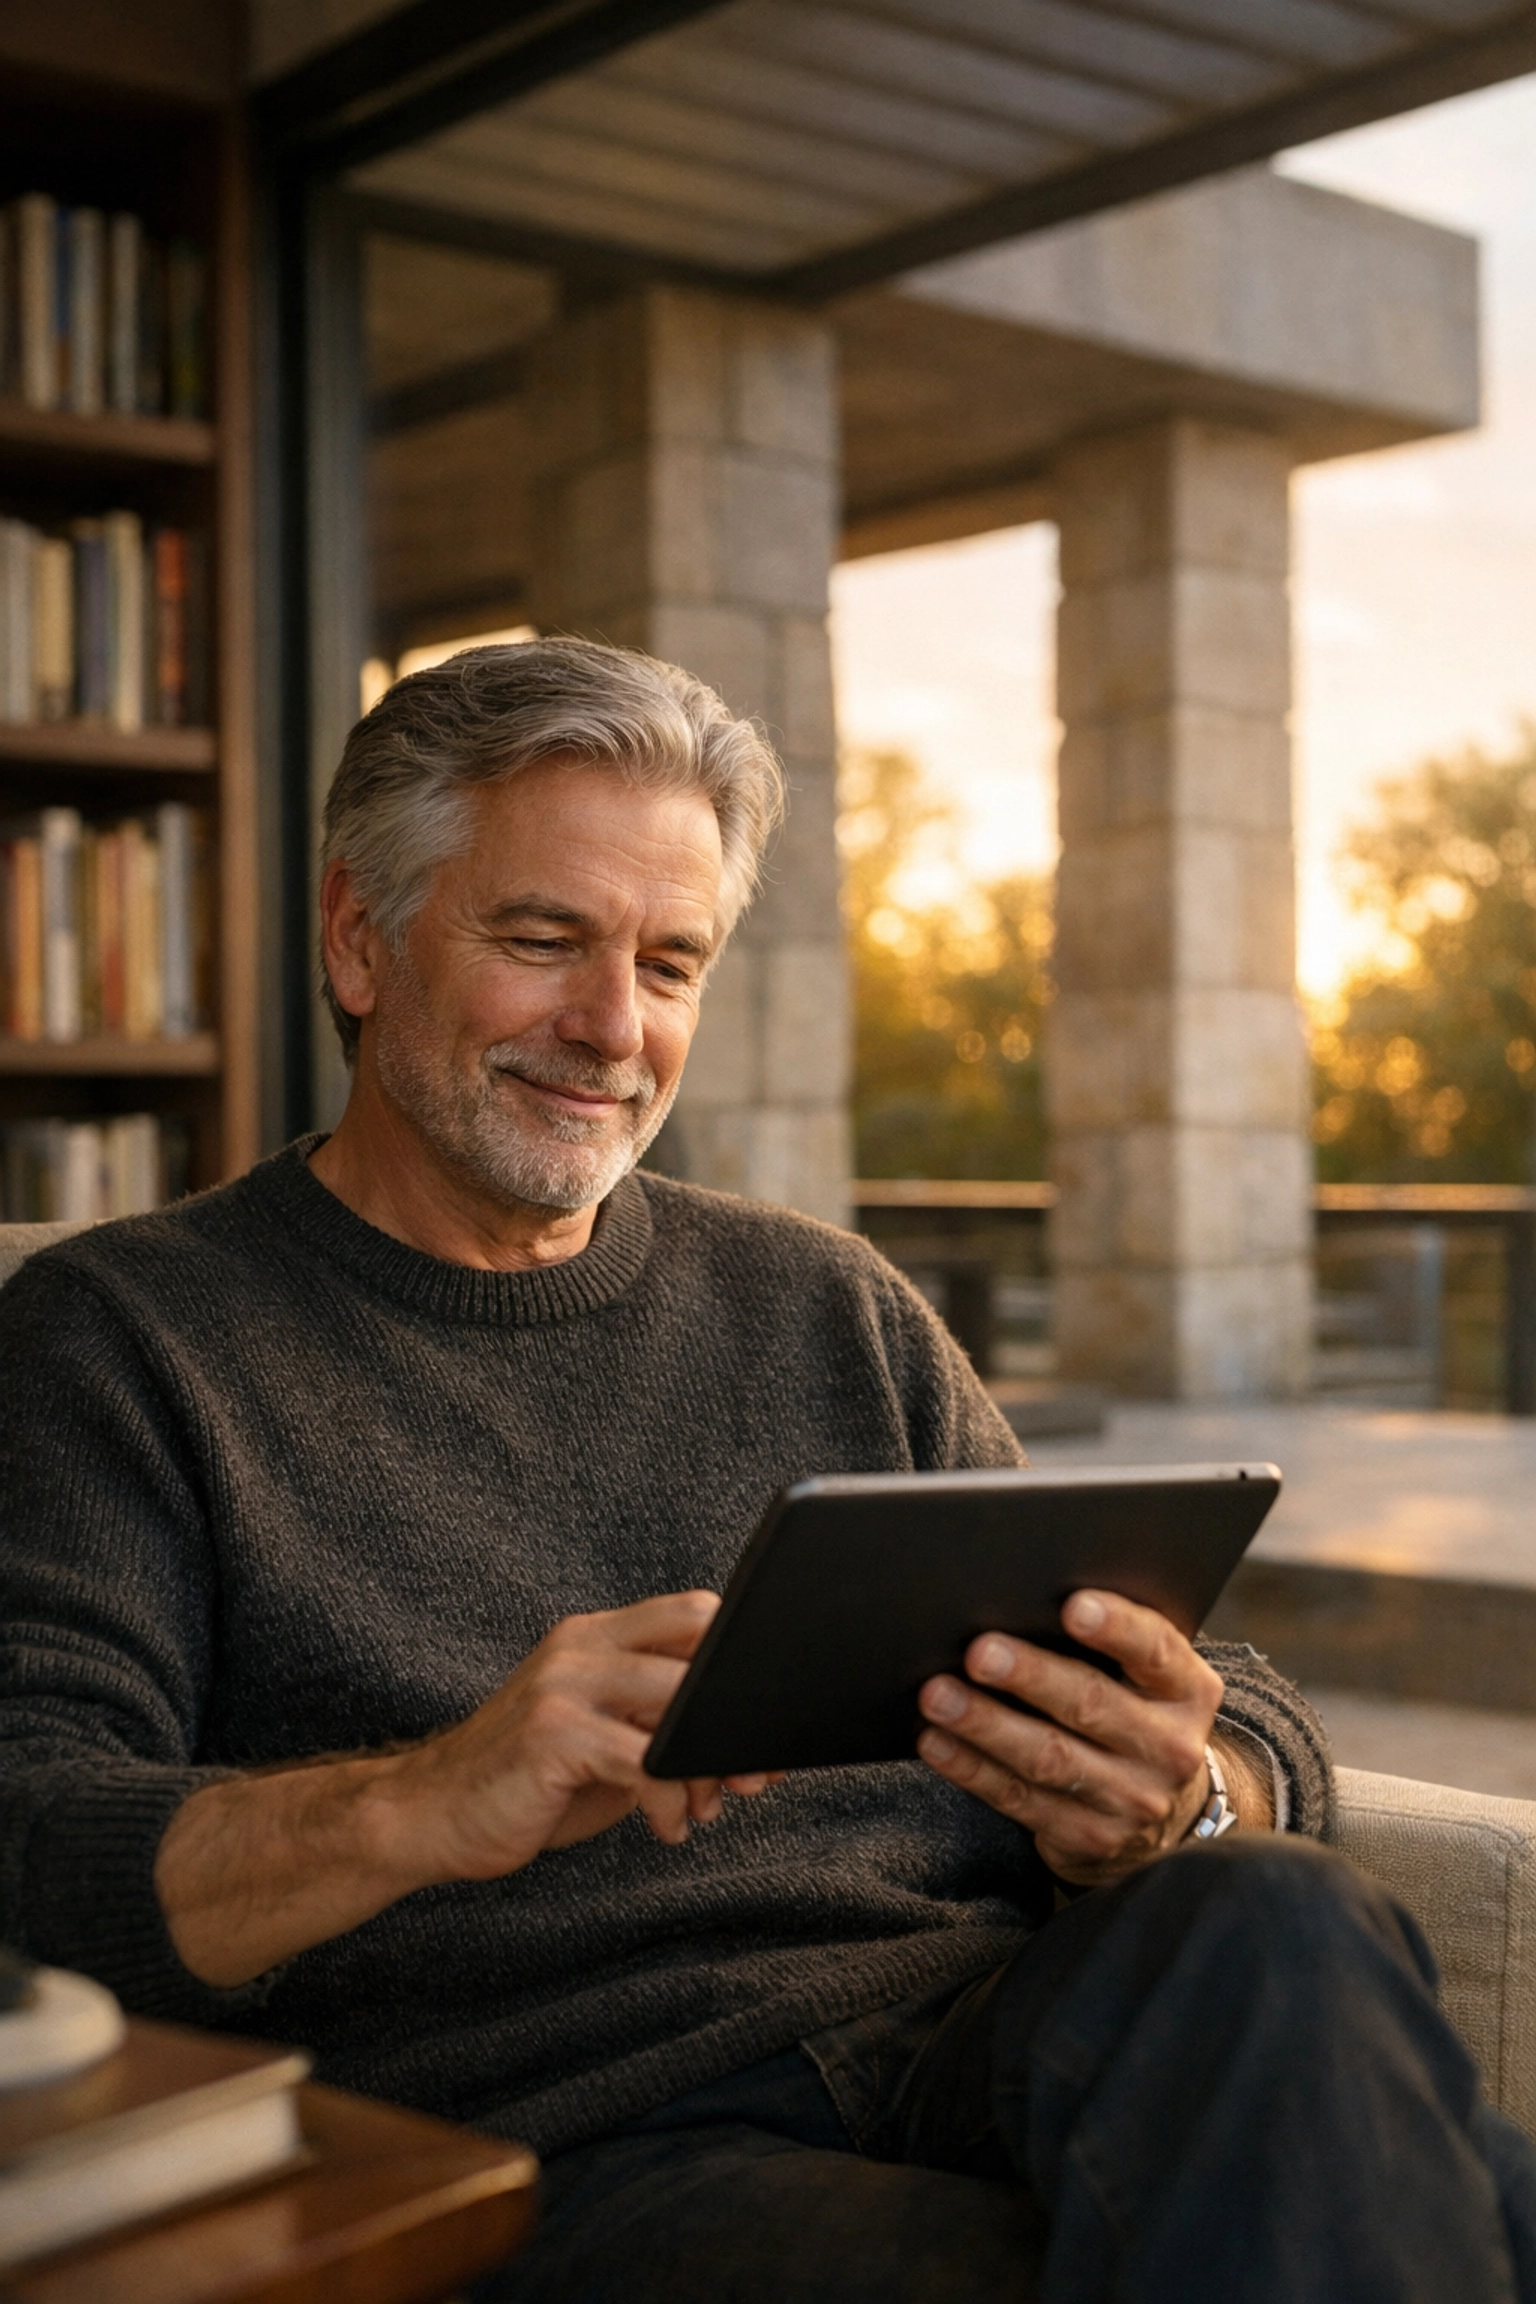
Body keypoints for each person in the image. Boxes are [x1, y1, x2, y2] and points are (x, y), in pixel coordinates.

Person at [1, 639, 1532, 2304]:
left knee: (1279, 1917)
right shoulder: (120, 1340)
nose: (612, 1030)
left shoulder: (828, 1305)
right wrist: (429, 1795)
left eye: (672, 964)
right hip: (578, 2135)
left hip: (991, 2040)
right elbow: (32, 1845)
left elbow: (1222, 1695)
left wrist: (1183, 1786)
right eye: (544, 942)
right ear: (359, 939)